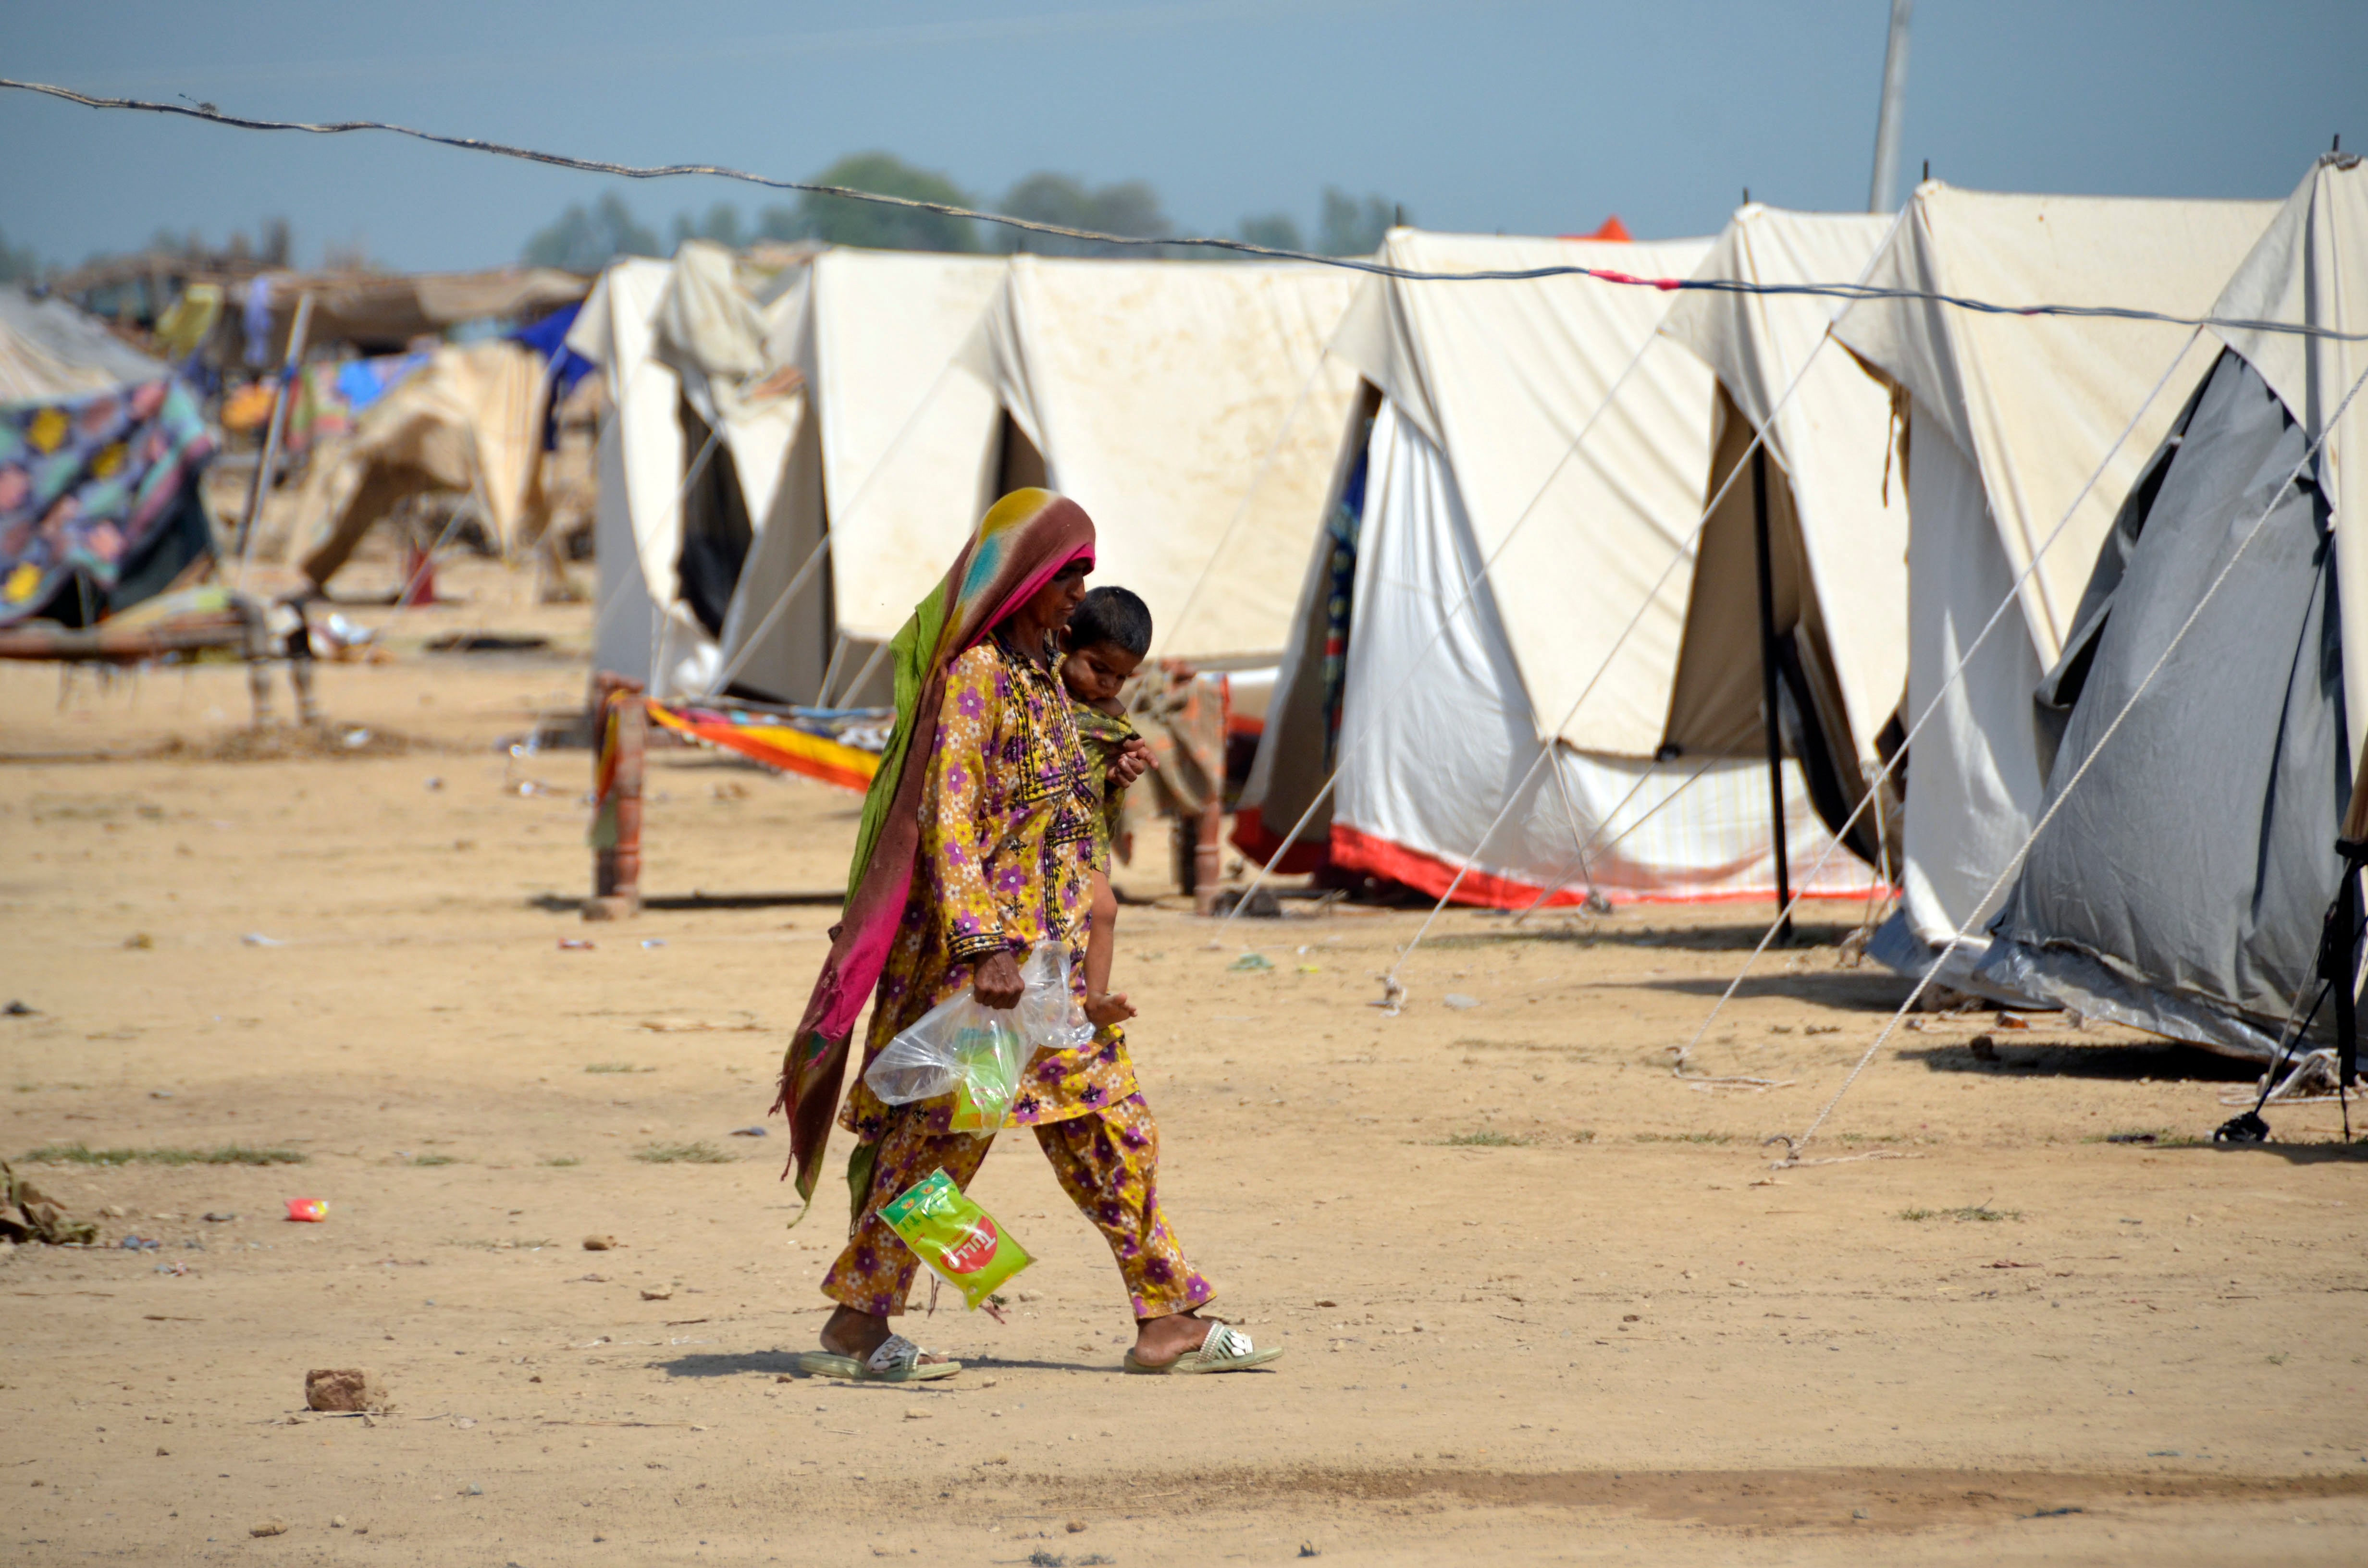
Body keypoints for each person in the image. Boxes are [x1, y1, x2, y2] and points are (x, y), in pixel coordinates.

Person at [778, 489, 1282, 1382]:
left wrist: (1111, 783)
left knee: (1112, 1132)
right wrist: (983, 948)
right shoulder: (974, 678)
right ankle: (859, 1318)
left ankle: (1164, 1315)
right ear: (1022, 581)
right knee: (937, 1145)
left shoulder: (1043, 681)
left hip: (1047, 976)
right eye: (1066, 579)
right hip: (990, 984)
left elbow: (1056, 815)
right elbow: (951, 819)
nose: (1073, 598)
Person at [1060, 585, 1154, 1032]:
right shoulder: (1037, 696)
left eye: (1120, 677)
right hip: (1036, 838)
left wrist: (1124, 766)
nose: (1108, 685)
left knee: (1105, 910)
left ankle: (1095, 997)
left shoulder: (1108, 715)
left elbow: (1117, 757)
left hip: (1084, 835)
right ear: (1065, 643)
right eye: (1099, 669)